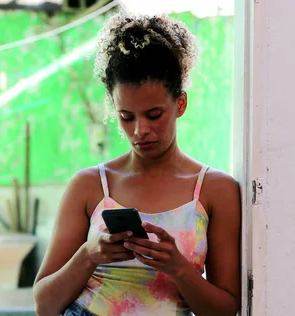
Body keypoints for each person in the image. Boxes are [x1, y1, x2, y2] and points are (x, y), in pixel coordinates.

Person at [33, 10, 241, 316]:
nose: (140, 130)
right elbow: (44, 305)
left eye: (154, 114)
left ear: (180, 104)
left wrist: (179, 268)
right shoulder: (90, 186)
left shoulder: (215, 190)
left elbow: (225, 309)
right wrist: (89, 255)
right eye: (126, 117)